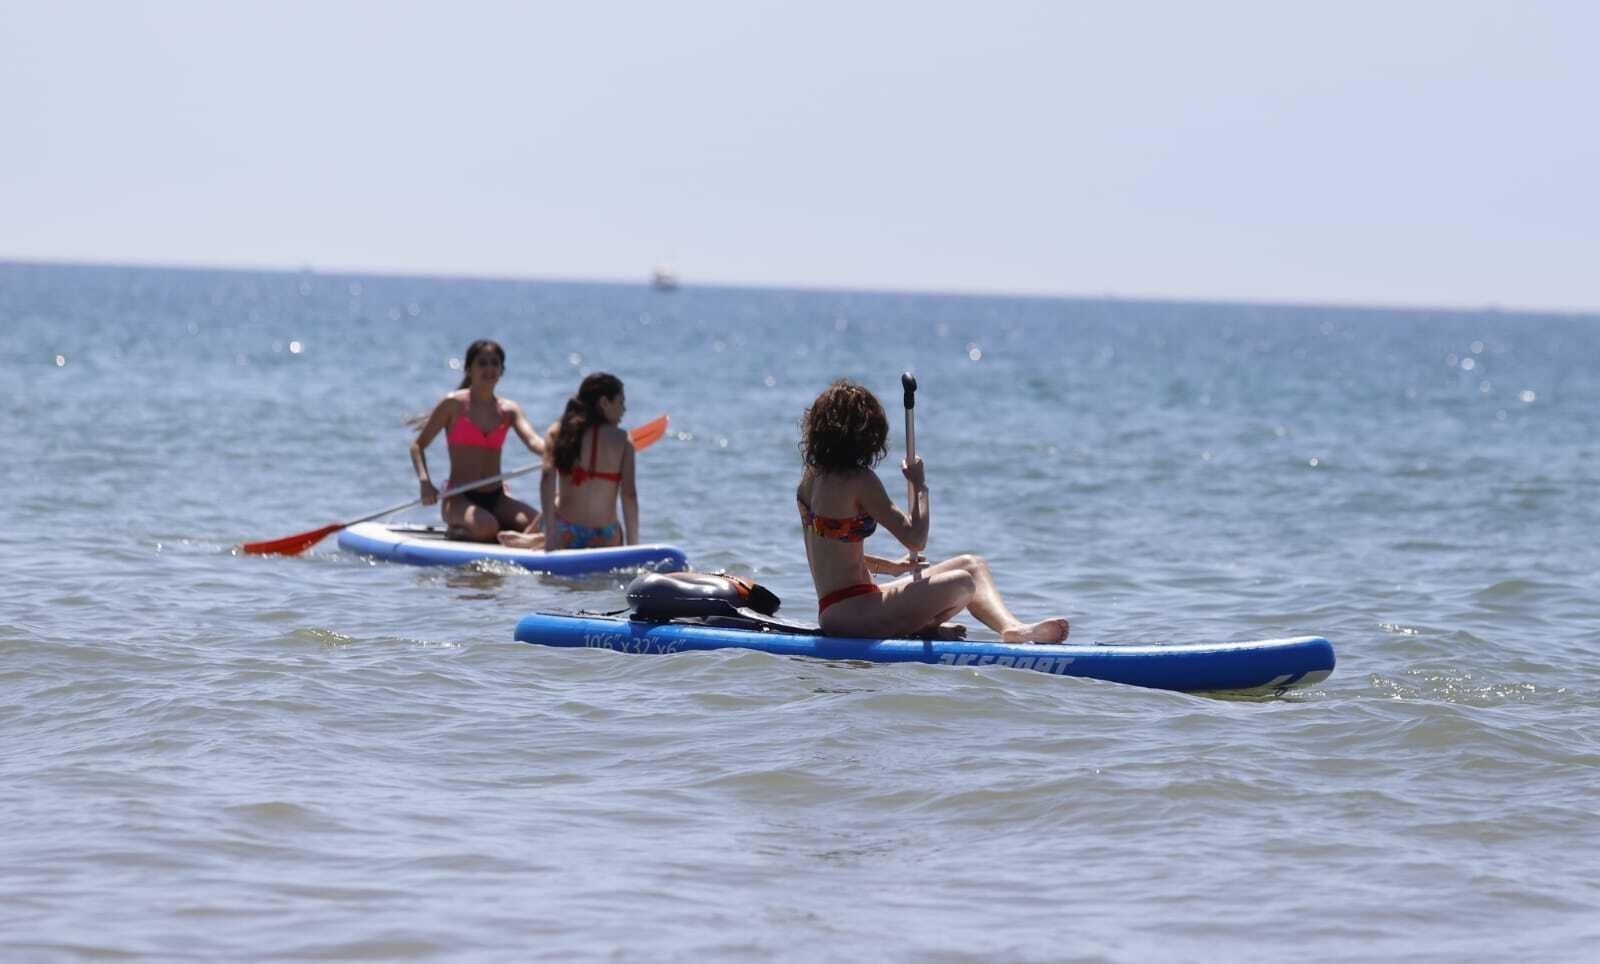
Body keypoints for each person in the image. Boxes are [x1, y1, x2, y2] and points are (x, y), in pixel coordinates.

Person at [796, 379, 1069, 642]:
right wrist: (919, 485)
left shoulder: (808, 479)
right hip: (852, 613)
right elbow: (915, 538)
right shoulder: (860, 481)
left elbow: (831, 552)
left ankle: (1012, 628)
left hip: (845, 606)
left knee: (972, 565)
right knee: (962, 583)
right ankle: (921, 626)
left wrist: (891, 567)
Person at [409, 339, 547, 543]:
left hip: (498, 497)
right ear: (469, 369)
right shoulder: (453, 404)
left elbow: (533, 441)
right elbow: (417, 446)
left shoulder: (509, 410)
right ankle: (460, 531)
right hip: (460, 497)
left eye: (495, 363)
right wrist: (425, 482)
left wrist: (559, 452)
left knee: (542, 525)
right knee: (487, 527)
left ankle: (504, 536)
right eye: (482, 363)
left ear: (502, 370)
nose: (489, 368)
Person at [497, 372, 638, 551]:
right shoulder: (623, 440)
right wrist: (634, 547)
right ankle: (532, 539)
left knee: (557, 498)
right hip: (605, 537)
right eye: (621, 402)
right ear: (604, 402)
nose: (624, 410)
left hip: (566, 532)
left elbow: (547, 479)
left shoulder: (560, 432)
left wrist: (551, 531)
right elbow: (629, 495)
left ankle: (534, 539)